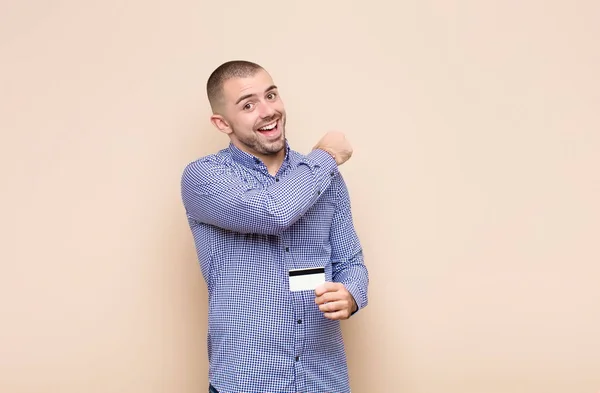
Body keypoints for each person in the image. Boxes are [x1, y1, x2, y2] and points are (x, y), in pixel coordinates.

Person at [180, 60, 369, 393]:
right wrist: (325, 155)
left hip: (323, 380)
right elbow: (275, 211)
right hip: (249, 382)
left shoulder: (325, 179)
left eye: (271, 95)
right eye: (249, 104)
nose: (268, 111)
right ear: (222, 123)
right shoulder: (203, 178)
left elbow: (351, 262)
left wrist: (351, 294)